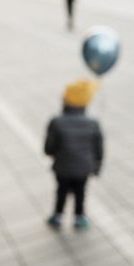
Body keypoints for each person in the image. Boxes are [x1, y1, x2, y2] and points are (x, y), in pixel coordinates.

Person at [45, 80, 104, 230]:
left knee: (61, 191)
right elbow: (99, 149)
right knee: (80, 192)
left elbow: (48, 149)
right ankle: (79, 217)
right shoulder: (93, 123)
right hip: (83, 169)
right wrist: (97, 167)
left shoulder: (56, 122)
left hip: (62, 168)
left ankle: (57, 215)